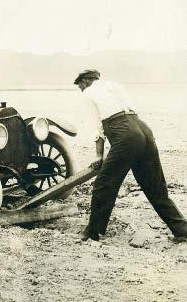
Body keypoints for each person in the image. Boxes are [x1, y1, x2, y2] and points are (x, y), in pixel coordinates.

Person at [74, 69, 187, 242]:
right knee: (155, 185)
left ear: (86, 81)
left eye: (80, 85)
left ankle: (92, 232)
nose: (80, 89)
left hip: (124, 132)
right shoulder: (114, 86)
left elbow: (97, 127)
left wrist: (98, 155)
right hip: (143, 129)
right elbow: (130, 113)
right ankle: (181, 229)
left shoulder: (88, 93)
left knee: (104, 183)